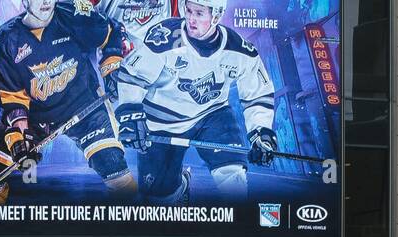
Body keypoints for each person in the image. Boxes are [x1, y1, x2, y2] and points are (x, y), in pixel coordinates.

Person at [0, 0, 135, 208]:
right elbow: (13, 100)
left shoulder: (74, 13)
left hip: (83, 106)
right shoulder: (6, 39)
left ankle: (135, 228)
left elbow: (110, 32)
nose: (46, 1)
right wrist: (20, 139)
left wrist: (111, 69)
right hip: (35, 114)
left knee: (112, 164)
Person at [113, 0, 277, 202]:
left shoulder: (239, 49)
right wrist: (130, 112)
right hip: (160, 122)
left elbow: (258, 93)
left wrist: (261, 133)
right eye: (189, 10)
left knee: (233, 180)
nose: (191, 18)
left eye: (199, 13)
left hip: (211, 116)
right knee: (158, 200)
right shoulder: (164, 37)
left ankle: (237, 228)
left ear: (216, 16)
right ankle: (180, 187)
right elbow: (133, 77)